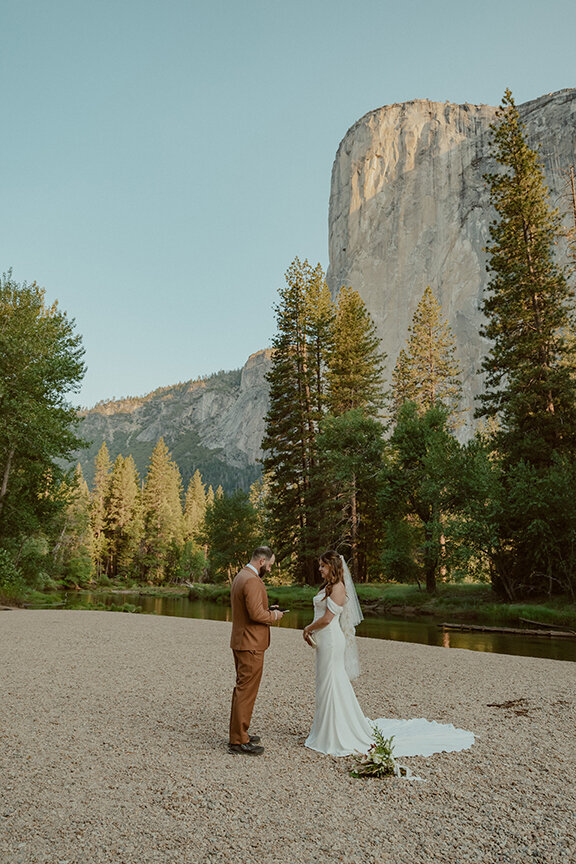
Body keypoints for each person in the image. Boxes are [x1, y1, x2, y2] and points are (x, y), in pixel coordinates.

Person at [303, 550, 474, 760]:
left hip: (331, 640)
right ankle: (324, 729)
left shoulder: (338, 588)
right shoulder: (327, 587)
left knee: (332, 682)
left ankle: (335, 733)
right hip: (324, 641)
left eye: (322, 565)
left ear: (332, 567)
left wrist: (307, 628)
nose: (319, 569)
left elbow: (328, 619)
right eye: (320, 565)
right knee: (325, 682)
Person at [228, 546, 284, 755]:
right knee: (246, 691)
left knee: (243, 689)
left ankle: (240, 732)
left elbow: (252, 609)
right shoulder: (251, 580)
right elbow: (255, 614)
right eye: (269, 565)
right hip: (250, 644)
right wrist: (274, 616)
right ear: (262, 561)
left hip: (242, 641)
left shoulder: (241, 576)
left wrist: (269, 610)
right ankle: (238, 740)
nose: (269, 569)